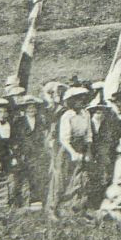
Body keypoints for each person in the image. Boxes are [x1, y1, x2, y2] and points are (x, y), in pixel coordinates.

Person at [48, 85, 94, 217]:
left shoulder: (86, 114)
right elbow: (64, 138)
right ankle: (54, 209)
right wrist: (73, 153)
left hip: (82, 146)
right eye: (78, 99)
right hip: (67, 149)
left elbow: (88, 134)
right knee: (61, 178)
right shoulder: (67, 116)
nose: (81, 102)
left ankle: (75, 208)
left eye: (83, 99)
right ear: (72, 102)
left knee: (80, 178)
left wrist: (88, 151)